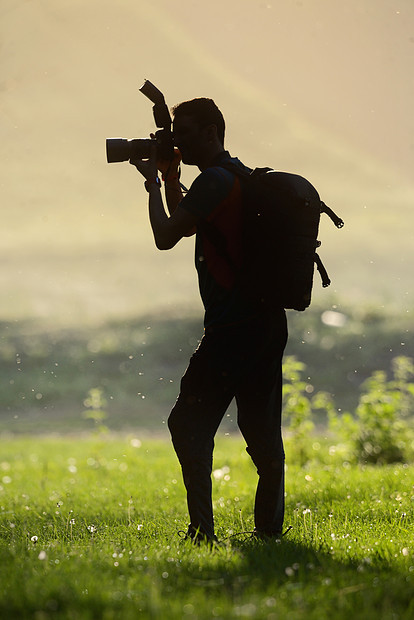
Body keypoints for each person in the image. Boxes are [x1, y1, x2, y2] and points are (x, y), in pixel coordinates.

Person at [130, 98, 288, 544]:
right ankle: (269, 534)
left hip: (231, 329)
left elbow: (166, 236)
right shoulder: (234, 176)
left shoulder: (215, 181)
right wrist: (169, 179)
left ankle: (202, 531)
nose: (176, 139)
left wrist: (149, 189)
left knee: (187, 425)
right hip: (265, 323)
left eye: (184, 131)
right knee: (261, 435)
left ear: (212, 132)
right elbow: (191, 221)